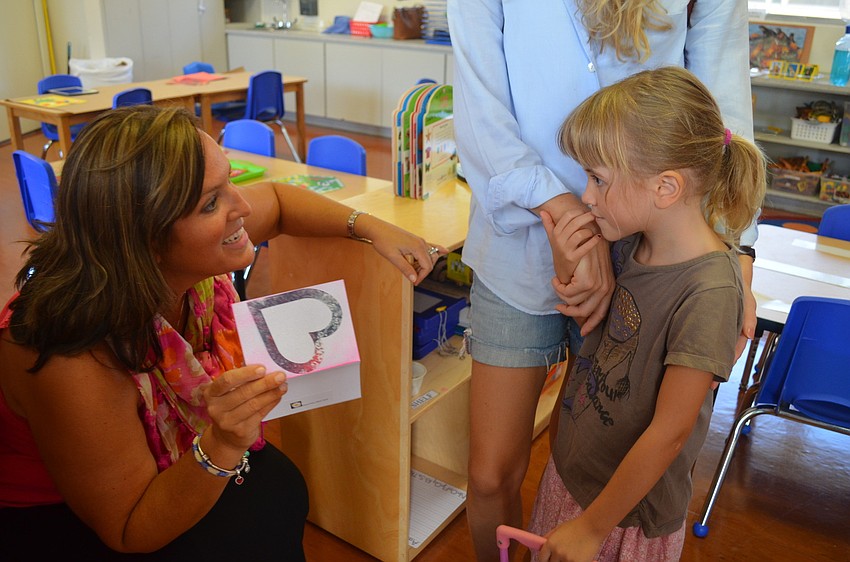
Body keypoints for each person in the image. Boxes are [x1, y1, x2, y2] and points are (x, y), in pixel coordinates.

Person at [0, 105, 445, 559]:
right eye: (212, 202)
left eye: (229, 182)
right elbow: (129, 528)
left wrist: (368, 226)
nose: (243, 207)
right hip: (71, 521)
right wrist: (224, 441)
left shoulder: (160, 253)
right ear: (147, 240)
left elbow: (279, 200)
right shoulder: (72, 355)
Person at [446, 1, 759, 559]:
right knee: (497, 474)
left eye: (594, 179)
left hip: (646, 251)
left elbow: (723, 95)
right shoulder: (599, 202)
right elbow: (480, 110)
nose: (587, 190)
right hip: (520, 243)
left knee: (592, 451)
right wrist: (566, 213)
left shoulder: (700, 287)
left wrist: (738, 250)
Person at [529, 65, 766, 562]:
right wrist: (566, 259)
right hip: (573, 480)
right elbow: (588, 336)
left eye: (598, 179)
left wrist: (591, 528)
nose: (586, 196)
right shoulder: (627, 245)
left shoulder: (710, 292)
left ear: (666, 188)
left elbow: (670, 432)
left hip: (621, 519)